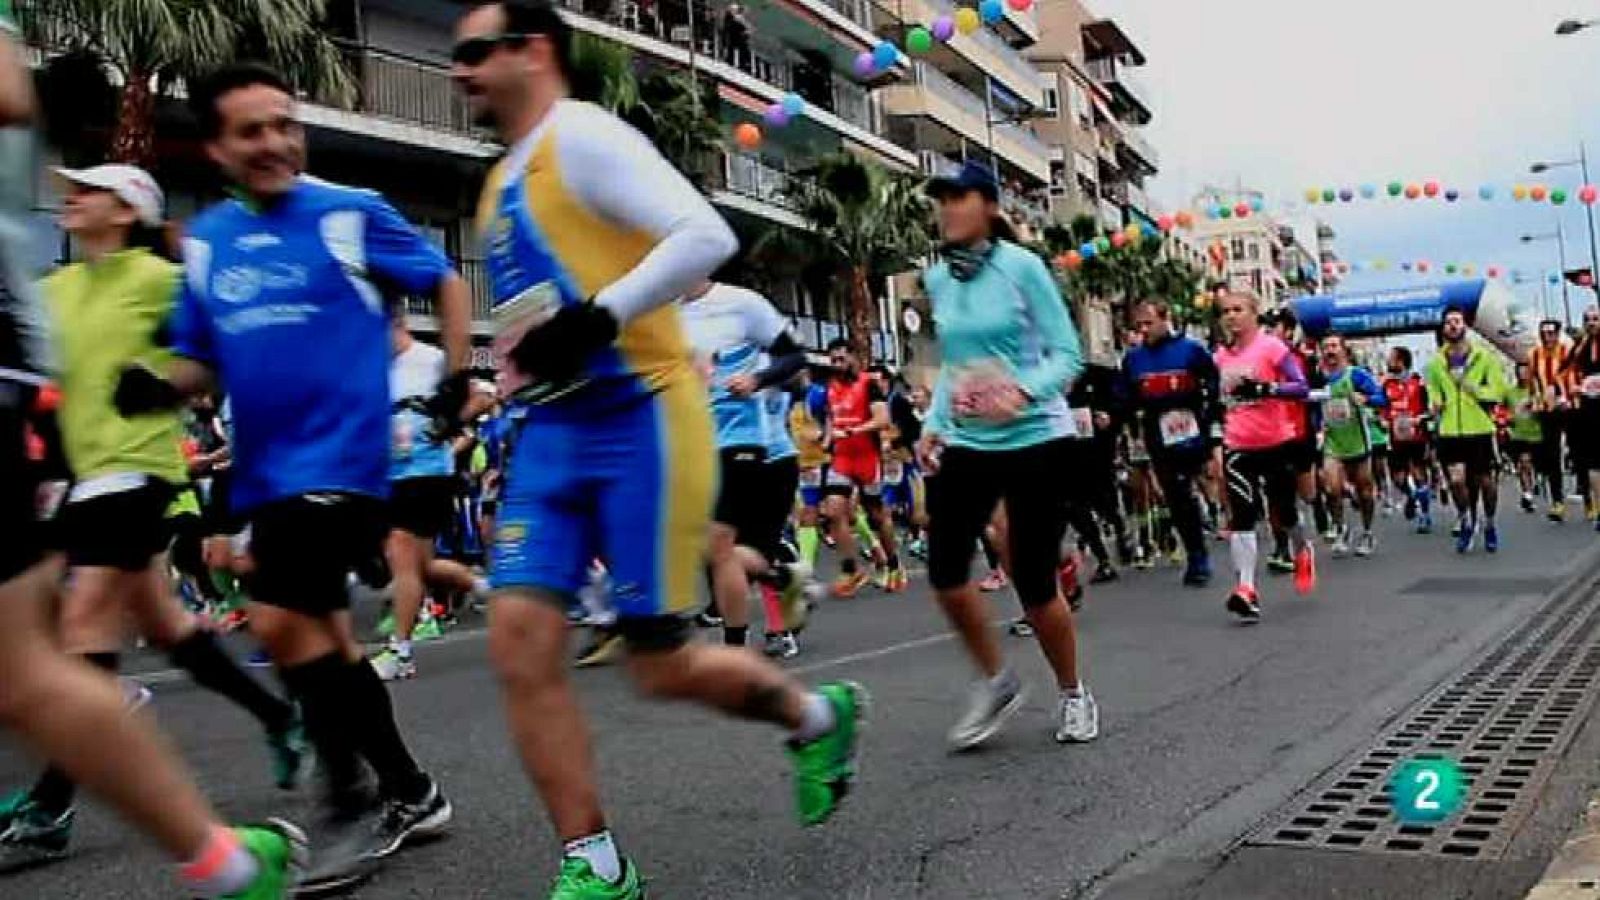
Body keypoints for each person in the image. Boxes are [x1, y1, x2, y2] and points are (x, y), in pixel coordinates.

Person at [451, 4, 866, 896]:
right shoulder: (498, 187)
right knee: (519, 644)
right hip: (551, 435)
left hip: (640, 418)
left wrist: (603, 316)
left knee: (658, 663)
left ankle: (813, 714)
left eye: (477, 52)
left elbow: (706, 236)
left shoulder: (584, 137)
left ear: (535, 52)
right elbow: (539, 318)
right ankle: (594, 862)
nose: (460, 71)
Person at [114, 63, 462, 890]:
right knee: (325, 643)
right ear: (218, 148)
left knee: (276, 621)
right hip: (267, 471)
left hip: (346, 458)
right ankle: (413, 791)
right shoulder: (208, 244)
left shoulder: (350, 210)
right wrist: (160, 388)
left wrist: (453, 379)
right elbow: (202, 360)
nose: (274, 143)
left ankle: (343, 804)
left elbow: (444, 280)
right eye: (251, 131)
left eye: (285, 123)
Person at [0, 8, 304, 896]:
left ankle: (56, 807)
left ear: (131, 208)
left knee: (83, 633)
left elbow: (223, 348)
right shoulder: (48, 286)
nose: (73, 196)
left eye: (92, 189)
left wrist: (178, 380)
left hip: (140, 473)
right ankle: (275, 721)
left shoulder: (160, 277)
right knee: (164, 627)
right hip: (77, 478)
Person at [915, 159, 1097, 750]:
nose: (947, 208)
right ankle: (997, 681)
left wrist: (1022, 391)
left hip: (1035, 439)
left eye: (959, 197)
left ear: (989, 207)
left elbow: (1068, 355)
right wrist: (934, 423)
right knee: (945, 572)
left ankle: (1074, 692)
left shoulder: (1022, 268)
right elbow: (952, 366)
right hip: (970, 440)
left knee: (1033, 582)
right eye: (941, 199)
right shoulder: (939, 278)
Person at [678, 279, 808, 652]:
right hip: (705, 448)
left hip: (758, 451)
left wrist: (758, 380)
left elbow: (796, 368)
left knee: (720, 545)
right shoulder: (671, 320)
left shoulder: (748, 325)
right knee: (723, 554)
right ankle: (782, 576)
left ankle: (754, 637)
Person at [372, 313, 483, 681]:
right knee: (420, 566)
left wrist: (446, 425)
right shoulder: (376, 369)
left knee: (401, 550)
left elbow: (482, 397)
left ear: (396, 322)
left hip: (428, 473)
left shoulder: (432, 359)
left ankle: (400, 649)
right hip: (392, 475)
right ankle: (489, 589)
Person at [1213, 292, 1314, 622]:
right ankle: (1246, 589)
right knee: (1241, 514)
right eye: (1226, 311)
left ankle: (1302, 548)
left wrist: (1267, 389)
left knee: (1283, 512)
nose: (1231, 317)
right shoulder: (1220, 357)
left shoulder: (1272, 348)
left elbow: (1301, 387)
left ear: (1254, 314)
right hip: (1238, 443)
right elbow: (1217, 399)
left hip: (1275, 442)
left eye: (1238, 310)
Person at [1121, 298, 1218, 586]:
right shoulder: (1134, 359)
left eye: (1149, 323)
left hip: (1192, 429)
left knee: (1198, 483)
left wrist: (1210, 421)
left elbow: (1212, 384)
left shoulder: (1191, 350)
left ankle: (1208, 524)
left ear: (1166, 319)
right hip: (1157, 433)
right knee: (1175, 495)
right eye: (1139, 325)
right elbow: (1125, 397)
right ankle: (1195, 552)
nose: (1144, 330)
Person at [822, 338, 905, 596]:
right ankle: (851, 569)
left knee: (876, 516)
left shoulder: (868, 385)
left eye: (841, 358)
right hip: (842, 457)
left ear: (854, 358)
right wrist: (826, 439)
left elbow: (882, 419)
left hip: (867, 458)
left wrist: (855, 430)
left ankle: (893, 565)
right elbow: (831, 418)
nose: (837, 364)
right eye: (833, 360)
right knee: (834, 510)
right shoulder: (831, 387)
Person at [1425, 306, 1508, 552]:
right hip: (1450, 430)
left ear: (1465, 326)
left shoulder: (1484, 357)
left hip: (1479, 428)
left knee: (1486, 482)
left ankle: (1490, 523)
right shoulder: (1436, 363)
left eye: (1457, 321)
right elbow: (1434, 393)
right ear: (1443, 329)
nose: (1453, 326)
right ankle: (1465, 520)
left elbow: (1498, 391)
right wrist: (1435, 405)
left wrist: (1474, 389)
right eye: (1448, 322)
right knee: (1457, 480)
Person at [1313, 334, 1386, 557]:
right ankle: (1340, 527)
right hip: (1333, 441)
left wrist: (1366, 399)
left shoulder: (1356, 375)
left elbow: (1382, 398)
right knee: (1331, 487)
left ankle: (1367, 532)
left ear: (1344, 350)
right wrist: (1316, 427)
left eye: (1334, 346)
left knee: (1365, 491)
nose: (1330, 351)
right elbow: (1312, 406)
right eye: (1325, 347)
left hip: (1358, 439)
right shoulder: (1318, 377)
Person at [1381, 346, 1434, 532]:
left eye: (1391, 358)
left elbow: (1430, 409)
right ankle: (1411, 496)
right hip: (1395, 438)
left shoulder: (1418, 383)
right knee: (1398, 479)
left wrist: (1420, 419)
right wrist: (1383, 420)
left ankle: (1424, 515)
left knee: (1419, 474)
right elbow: (1382, 408)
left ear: (1401, 361)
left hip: (1416, 437)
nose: (1388, 361)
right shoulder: (1386, 385)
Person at [1529, 318, 1574, 521]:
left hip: (1570, 406)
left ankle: (1591, 498)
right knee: (1552, 456)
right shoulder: (1534, 354)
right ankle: (1558, 502)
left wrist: (1565, 397)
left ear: (1557, 334)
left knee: (1579, 452)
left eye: (1550, 332)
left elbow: (1574, 375)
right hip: (1547, 410)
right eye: (1543, 332)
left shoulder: (1567, 351)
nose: (1547, 337)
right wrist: (1535, 401)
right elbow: (1533, 383)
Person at [1561, 306, 1600, 528]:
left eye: (1596, 319)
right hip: (1588, 408)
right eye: (1588, 319)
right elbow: (1564, 371)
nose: (1592, 323)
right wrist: (1572, 389)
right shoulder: (1580, 347)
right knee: (1593, 462)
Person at [1505, 362, 1548, 515]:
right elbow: (1501, 410)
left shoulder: (1537, 392)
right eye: (1519, 372)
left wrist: (1537, 407)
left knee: (1533, 465)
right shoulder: (1510, 393)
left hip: (1537, 434)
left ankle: (1536, 481)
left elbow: (1546, 409)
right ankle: (1527, 494)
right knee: (1524, 463)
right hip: (1518, 434)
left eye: (1525, 372)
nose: (1522, 375)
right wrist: (1507, 418)